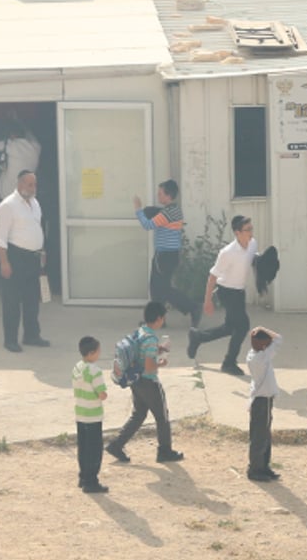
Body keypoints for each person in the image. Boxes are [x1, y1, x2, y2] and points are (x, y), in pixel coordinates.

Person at [106, 301, 184, 464]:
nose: (163, 321)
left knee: (139, 414)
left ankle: (116, 445)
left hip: (136, 381)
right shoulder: (150, 339)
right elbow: (149, 365)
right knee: (162, 416)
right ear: (158, 318)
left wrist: (158, 349)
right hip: (149, 382)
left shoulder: (141, 332)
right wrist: (160, 363)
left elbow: (142, 354)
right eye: (163, 318)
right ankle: (164, 451)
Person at [188, 216, 259, 377]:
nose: (251, 233)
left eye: (251, 229)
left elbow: (253, 260)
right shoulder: (227, 253)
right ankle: (229, 363)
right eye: (247, 230)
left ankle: (198, 336)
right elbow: (212, 277)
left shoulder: (253, 244)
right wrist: (207, 301)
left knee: (230, 327)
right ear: (237, 232)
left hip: (239, 291)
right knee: (242, 326)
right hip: (226, 292)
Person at [0, 169, 48, 352]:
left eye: (35, 184)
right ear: (19, 184)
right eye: (29, 184)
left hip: (33, 257)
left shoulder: (35, 203)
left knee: (32, 299)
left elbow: (36, 228)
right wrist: (4, 262)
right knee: (12, 301)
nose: (33, 188)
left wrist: (42, 251)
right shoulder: (8, 205)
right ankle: (10, 340)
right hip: (15, 257)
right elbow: (0, 237)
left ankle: (31, 335)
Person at [135, 180, 199, 325]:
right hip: (169, 255)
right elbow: (160, 215)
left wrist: (138, 209)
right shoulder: (173, 209)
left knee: (162, 290)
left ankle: (193, 307)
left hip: (164, 256)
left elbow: (148, 225)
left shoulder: (168, 213)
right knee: (157, 289)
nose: (158, 196)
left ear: (168, 195)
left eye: (160, 193)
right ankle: (158, 320)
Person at [72, 336, 109, 494]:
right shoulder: (95, 371)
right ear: (92, 353)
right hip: (93, 414)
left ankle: (83, 477)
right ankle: (91, 481)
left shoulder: (77, 367)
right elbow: (101, 394)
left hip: (80, 413)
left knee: (83, 447)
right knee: (94, 449)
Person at [247, 326, 282, 482]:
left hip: (259, 400)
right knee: (261, 437)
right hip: (263, 401)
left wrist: (258, 333)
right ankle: (255, 469)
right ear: (263, 345)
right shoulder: (263, 357)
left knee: (263, 436)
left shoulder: (252, 355)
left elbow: (274, 341)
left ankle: (263, 466)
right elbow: (279, 338)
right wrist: (261, 328)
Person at [0, 122, 41, 203]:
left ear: (12, 136)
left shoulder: (11, 145)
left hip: (7, 196)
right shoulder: (36, 146)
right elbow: (30, 134)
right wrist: (18, 121)